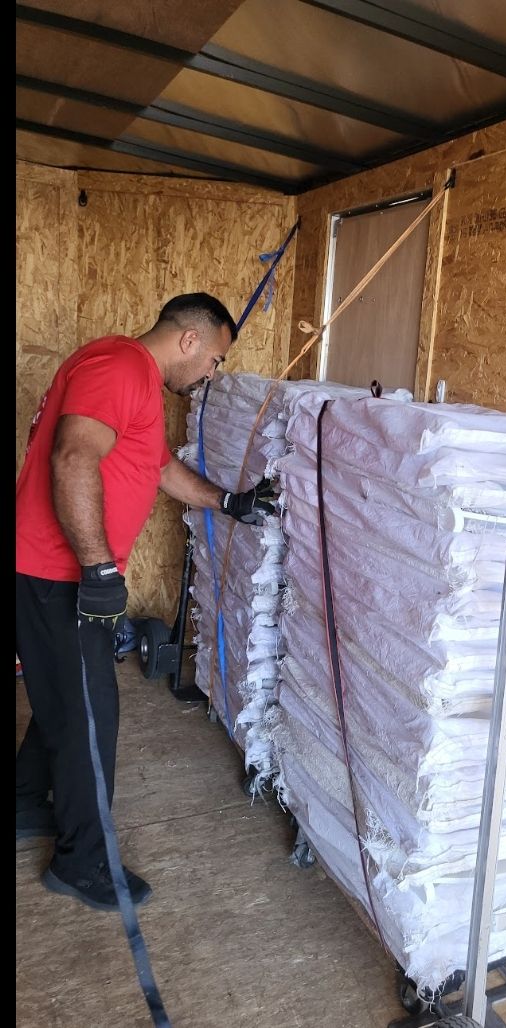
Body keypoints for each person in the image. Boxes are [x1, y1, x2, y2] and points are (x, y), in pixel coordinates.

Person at [15, 292, 276, 911]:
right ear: (190, 339)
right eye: (214, 360)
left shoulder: (132, 377)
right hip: (60, 574)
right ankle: (82, 863)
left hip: (60, 571)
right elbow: (73, 457)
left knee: (65, 692)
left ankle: (25, 799)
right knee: (89, 712)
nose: (212, 374)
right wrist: (98, 567)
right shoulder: (120, 368)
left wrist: (229, 502)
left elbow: (156, 467)